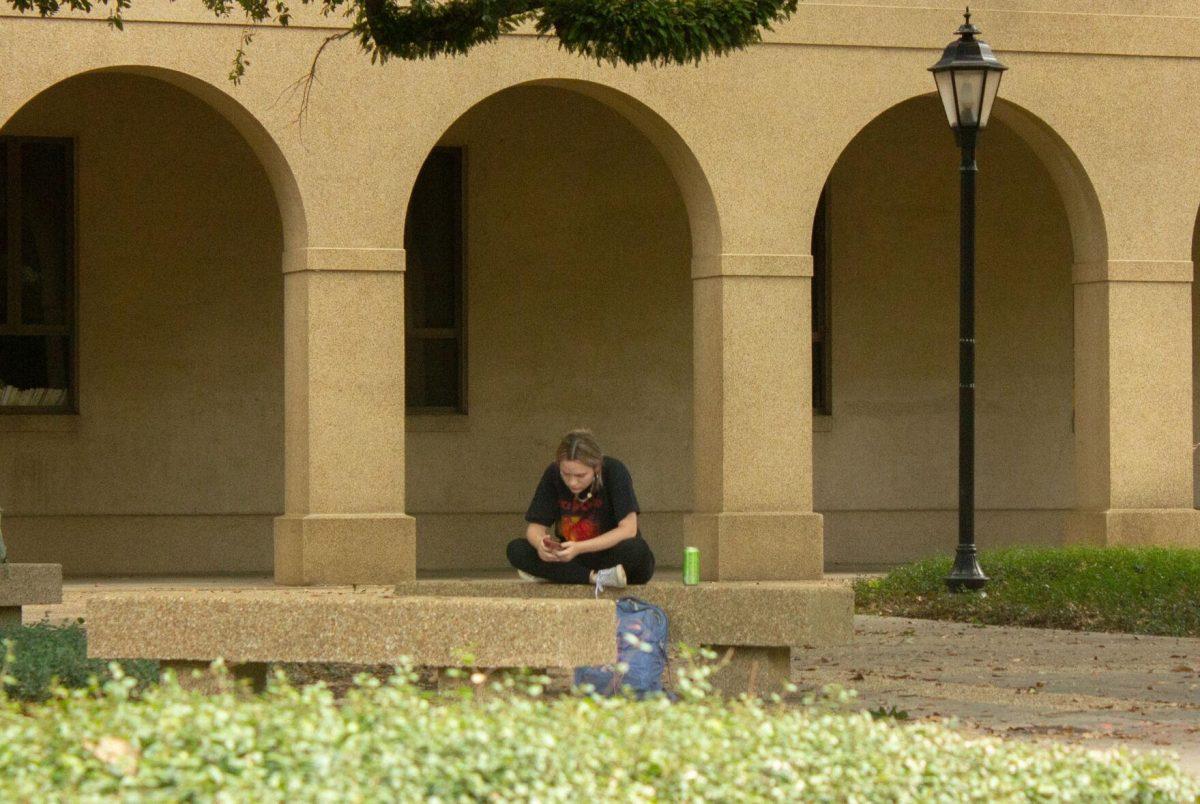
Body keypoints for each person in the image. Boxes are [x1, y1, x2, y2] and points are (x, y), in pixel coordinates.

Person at [507, 429, 655, 593]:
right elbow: (535, 528)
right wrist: (540, 544)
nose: (572, 482)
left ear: (596, 468)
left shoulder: (614, 471)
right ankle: (593, 578)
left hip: (611, 556)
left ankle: (566, 575)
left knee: (637, 551)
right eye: (566, 474)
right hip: (574, 558)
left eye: (580, 475)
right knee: (516, 549)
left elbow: (628, 529)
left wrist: (579, 547)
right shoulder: (553, 474)